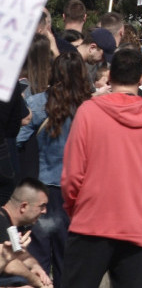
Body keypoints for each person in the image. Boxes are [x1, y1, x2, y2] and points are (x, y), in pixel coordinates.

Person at [61, 47, 142, 288]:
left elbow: (72, 175)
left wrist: (75, 209)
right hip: (138, 224)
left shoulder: (88, 112)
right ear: (141, 78)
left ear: (109, 76)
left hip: (91, 221)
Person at [29, 50, 92, 283]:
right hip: (78, 191)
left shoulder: (37, 103)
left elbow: (17, 141)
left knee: (37, 260)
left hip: (41, 188)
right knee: (70, 259)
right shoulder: (91, 108)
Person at [0, 178, 53, 288]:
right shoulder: (1, 223)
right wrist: (37, 281)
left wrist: (36, 267)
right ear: (24, 206)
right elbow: (10, 265)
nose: (45, 211)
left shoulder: (10, 223)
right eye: (42, 206)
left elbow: (20, 254)